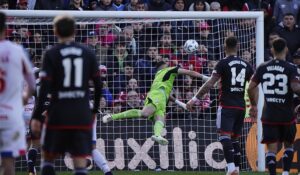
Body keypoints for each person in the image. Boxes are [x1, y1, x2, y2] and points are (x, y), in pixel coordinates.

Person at [30, 14, 102, 175]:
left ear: (55, 31)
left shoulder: (51, 53)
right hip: (81, 113)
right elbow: (98, 85)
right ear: (74, 31)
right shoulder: (88, 52)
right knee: (79, 162)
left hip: (58, 113)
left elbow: (44, 89)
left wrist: (36, 116)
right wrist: (95, 110)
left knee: (48, 158)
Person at [186, 36, 254, 175]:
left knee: (224, 137)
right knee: (235, 139)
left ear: (224, 47)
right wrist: (254, 105)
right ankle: (237, 169)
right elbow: (253, 87)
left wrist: (194, 99)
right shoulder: (246, 64)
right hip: (241, 106)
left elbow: (210, 83)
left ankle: (230, 169)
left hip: (227, 105)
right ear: (238, 47)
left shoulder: (222, 63)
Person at [102, 61, 208, 145]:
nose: (170, 65)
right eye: (167, 64)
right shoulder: (168, 70)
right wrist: (205, 78)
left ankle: (157, 135)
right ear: (163, 67)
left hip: (161, 98)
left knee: (161, 119)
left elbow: (167, 95)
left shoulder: (161, 77)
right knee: (144, 114)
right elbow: (189, 72)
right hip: (158, 95)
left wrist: (181, 104)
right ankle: (113, 116)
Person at [247, 38, 300, 175]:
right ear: (286, 50)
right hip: (287, 114)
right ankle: (286, 173)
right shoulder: (291, 68)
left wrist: (253, 105)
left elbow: (251, 87)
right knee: (288, 145)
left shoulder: (262, 67)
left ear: (272, 50)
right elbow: (295, 87)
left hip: (269, 113)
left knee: (271, 149)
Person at [0, 12, 36, 175]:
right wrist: (22, 101)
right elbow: (32, 86)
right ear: (5, 28)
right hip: (11, 113)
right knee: (9, 163)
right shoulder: (16, 51)